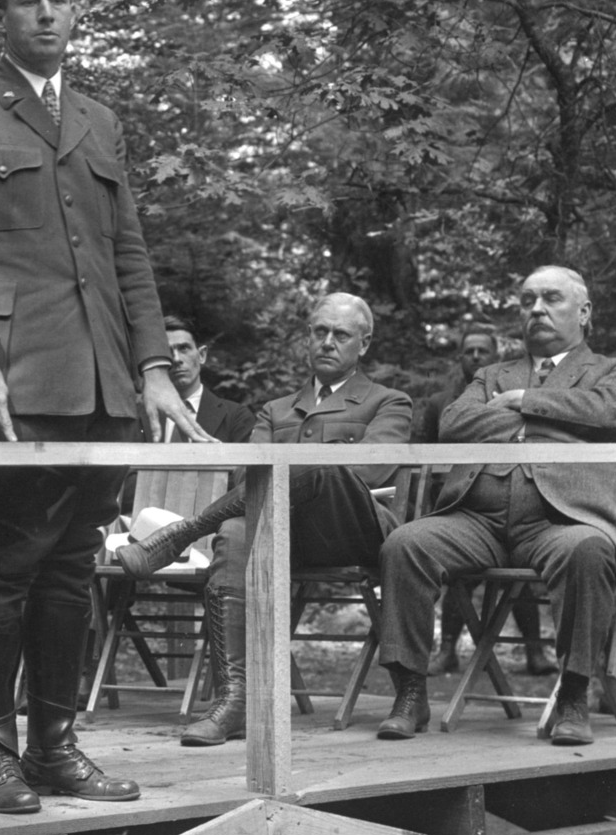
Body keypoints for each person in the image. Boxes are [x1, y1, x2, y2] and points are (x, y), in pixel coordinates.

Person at [0, 0, 210, 815]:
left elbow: (126, 256)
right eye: (27, 2)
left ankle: (55, 749)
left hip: (104, 386)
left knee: (71, 570)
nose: (45, 14)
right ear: (0, 17)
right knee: (5, 567)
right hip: (10, 380)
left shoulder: (97, 119)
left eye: (59, 0)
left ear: (77, 13)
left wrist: (152, 369)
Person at [114, 292, 412, 745]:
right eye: (319, 332)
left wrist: (299, 459)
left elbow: (369, 469)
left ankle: (184, 532)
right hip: (287, 531)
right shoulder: (275, 409)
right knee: (235, 532)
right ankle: (235, 701)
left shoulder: (389, 401)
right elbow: (242, 477)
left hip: (355, 528)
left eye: (341, 334)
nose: (327, 342)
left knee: (311, 465)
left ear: (364, 344)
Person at [373, 266, 616, 745]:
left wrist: (523, 401)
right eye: (526, 301)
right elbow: (456, 423)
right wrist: (550, 424)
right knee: (406, 543)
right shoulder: (490, 373)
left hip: (563, 520)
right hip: (475, 519)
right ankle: (410, 692)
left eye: (550, 299)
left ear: (583, 313)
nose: (536, 309)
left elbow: (613, 410)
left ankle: (574, 696)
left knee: (588, 550)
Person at [432, 323, 551, 676]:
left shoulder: (517, 387)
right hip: (459, 500)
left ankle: (534, 651)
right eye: (468, 351)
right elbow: (433, 442)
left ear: (495, 354)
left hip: (514, 501)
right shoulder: (443, 401)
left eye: (482, 351)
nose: (475, 357)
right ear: (460, 357)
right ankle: (447, 650)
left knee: (520, 583)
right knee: (457, 581)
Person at [158, 316, 254, 442]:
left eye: (184, 348)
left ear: (202, 355)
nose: (176, 359)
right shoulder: (142, 416)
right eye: (167, 351)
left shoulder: (236, 417)